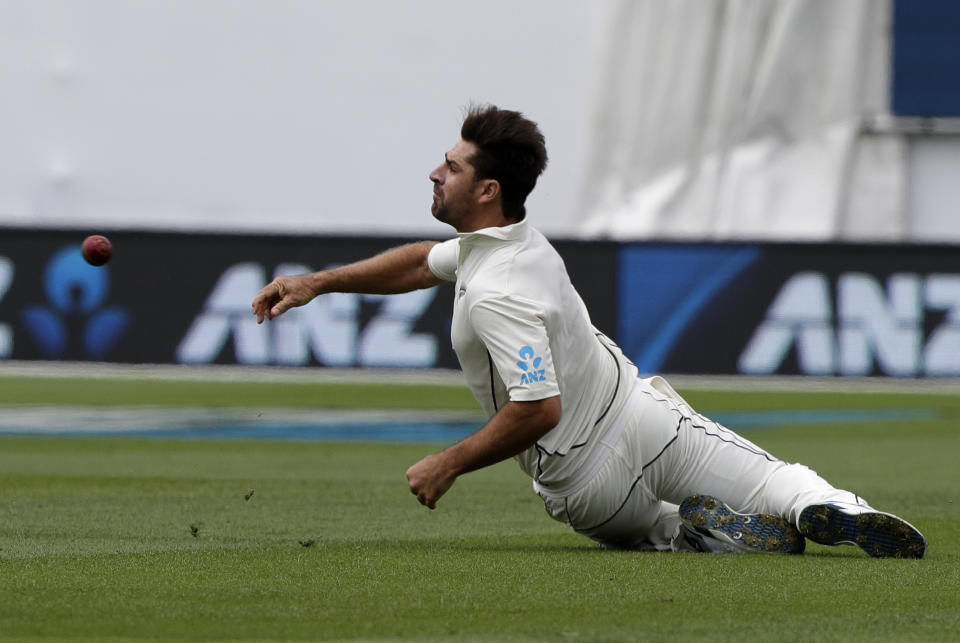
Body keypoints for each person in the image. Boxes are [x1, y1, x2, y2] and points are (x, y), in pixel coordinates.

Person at [251, 104, 927, 558]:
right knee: (777, 480)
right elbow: (418, 266)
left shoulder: (495, 292)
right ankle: (829, 506)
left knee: (661, 533)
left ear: (486, 190)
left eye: (451, 167)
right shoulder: (514, 241)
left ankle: (703, 534)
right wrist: (318, 282)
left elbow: (536, 410)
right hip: (636, 415)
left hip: (583, 483)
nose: (436, 172)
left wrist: (447, 462)